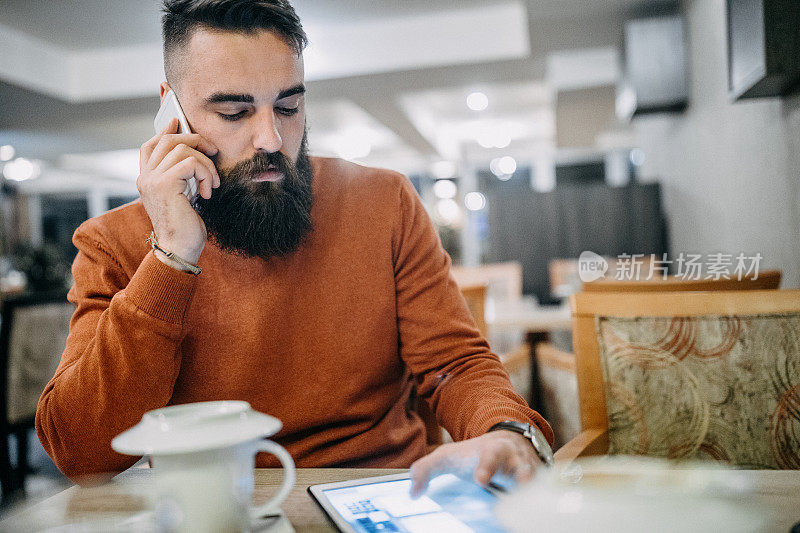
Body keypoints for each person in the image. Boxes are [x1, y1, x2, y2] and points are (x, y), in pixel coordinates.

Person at [35, 0, 553, 496]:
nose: (272, 138)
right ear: (172, 109)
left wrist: (506, 431)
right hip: (221, 507)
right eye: (236, 113)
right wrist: (170, 258)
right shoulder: (113, 242)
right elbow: (81, 454)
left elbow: (455, 365)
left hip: (380, 494)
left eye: (288, 106)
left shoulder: (384, 201)